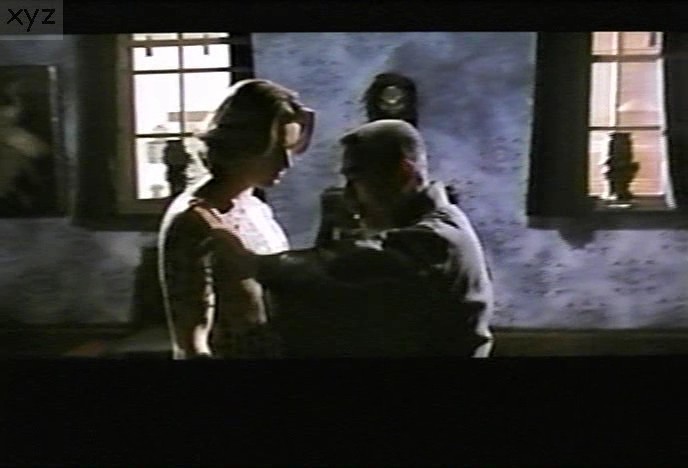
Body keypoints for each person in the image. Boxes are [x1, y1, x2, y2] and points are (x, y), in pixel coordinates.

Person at [198, 119, 494, 358]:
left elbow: (350, 268)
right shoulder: (432, 226)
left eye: (356, 179)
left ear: (403, 173)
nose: (350, 196)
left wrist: (251, 263)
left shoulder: (439, 239)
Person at [158, 78, 315, 359]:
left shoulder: (256, 208)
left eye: (290, 149)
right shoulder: (194, 221)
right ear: (243, 144)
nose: (286, 162)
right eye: (275, 150)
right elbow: (191, 344)